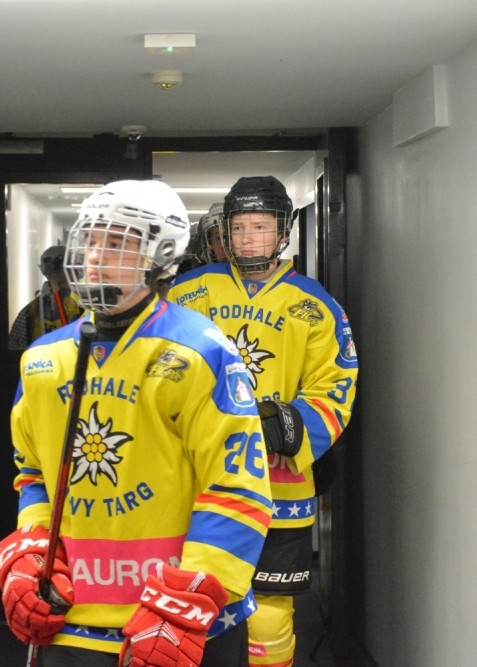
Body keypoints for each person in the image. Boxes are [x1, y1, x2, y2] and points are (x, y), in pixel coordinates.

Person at [0, 179, 273, 667]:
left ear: (160, 254)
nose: (95, 256)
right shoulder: (43, 358)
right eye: (90, 240)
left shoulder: (201, 351)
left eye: (118, 242)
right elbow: (34, 475)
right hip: (73, 622)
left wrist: (188, 601)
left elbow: (237, 487)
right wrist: (33, 553)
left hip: (182, 626)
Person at [167, 175, 359, 667]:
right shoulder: (188, 293)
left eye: (260, 226)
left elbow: (336, 387)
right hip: (198, 483)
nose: (248, 238)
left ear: (283, 231)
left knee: (269, 617)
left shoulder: (314, 305)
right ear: (224, 232)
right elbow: (154, 369)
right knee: (189, 604)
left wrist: (285, 426)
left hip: (280, 487)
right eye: (239, 227)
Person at [8, 244, 83, 350]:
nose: (77, 271)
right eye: (71, 266)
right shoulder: (32, 312)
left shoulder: (29, 312)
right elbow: (16, 349)